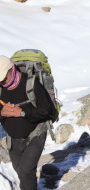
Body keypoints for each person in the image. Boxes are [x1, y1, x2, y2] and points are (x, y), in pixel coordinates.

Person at [0, 55, 56, 190]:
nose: (2, 81)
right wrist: (2, 113)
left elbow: (47, 111)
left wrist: (23, 112)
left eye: (4, 77)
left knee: (25, 171)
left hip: (36, 133)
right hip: (14, 138)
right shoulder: (1, 88)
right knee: (20, 170)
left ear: (11, 69)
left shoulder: (31, 83)